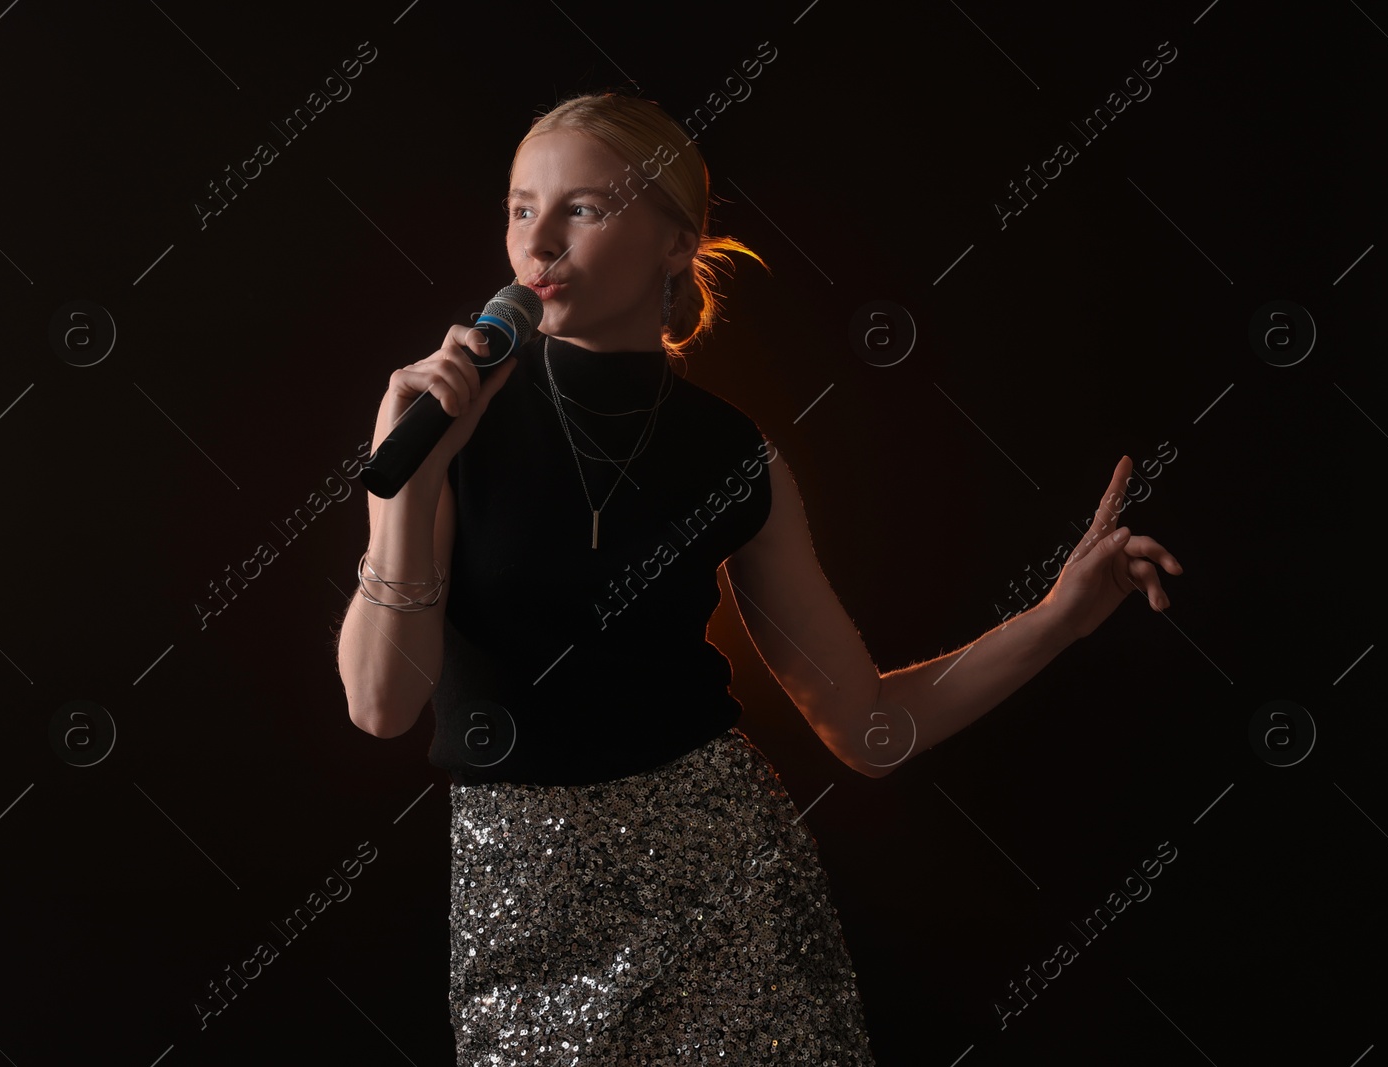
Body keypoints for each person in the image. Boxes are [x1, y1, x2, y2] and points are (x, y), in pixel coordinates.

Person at [335, 91, 1181, 1064]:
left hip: (725, 889)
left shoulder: (733, 455)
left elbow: (867, 728)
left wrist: (1059, 616)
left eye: (585, 207)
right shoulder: (443, 423)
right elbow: (379, 704)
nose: (541, 241)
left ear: (674, 244)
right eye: (523, 207)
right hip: (524, 904)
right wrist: (411, 483)